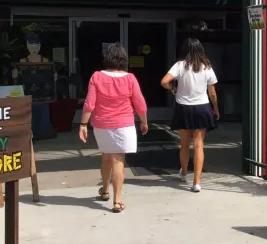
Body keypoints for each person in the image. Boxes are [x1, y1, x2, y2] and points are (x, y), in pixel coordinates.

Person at [79, 43, 148, 213]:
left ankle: (105, 190)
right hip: (124, 125)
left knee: (105, 157)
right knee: (118, 160)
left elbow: (89, 104)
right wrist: (144, 121)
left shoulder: (96, 77)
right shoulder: (130, 78)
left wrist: (83, 124)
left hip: (102, 125)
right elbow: (141, 104)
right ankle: (117, 201)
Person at [160, 38, 220, 193]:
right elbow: (212, 92)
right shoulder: (206, 66)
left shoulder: (180, 65)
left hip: (183, 108)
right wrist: (216, 108)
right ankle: (196, 182)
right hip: (202, 107)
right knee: (199, 145)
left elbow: (164, 81)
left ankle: (184, 172)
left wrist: (173, 90)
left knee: (184, 144)